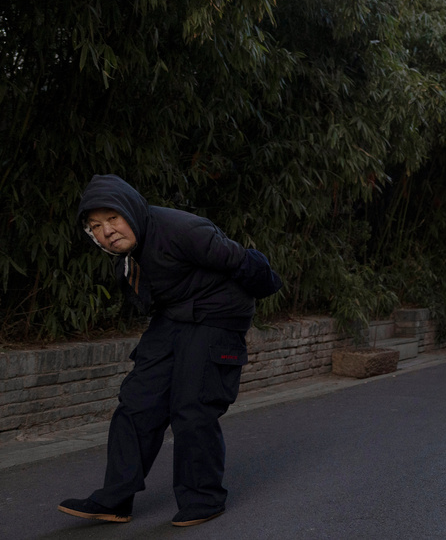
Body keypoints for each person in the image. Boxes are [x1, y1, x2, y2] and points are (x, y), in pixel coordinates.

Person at [60, 174, 282, 527]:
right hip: (173, 318)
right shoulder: (128, 258)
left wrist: (238, 321)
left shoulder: (182, 229)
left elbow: (244, 262)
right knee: (136, 403)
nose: (107, 231)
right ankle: (115, 499)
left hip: (217, 315)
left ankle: (203, 499)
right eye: (96, 226)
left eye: (113, 218)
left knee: (192, 405)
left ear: (130, 210)